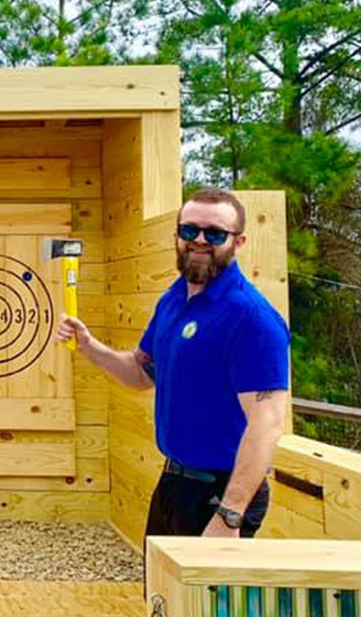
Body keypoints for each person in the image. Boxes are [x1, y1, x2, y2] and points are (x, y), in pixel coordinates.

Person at [57, 187, 290, 539]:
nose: (199, 240)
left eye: (214, 233)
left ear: (239, 242)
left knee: (205, 597)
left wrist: (229, 516)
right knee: (160, 595)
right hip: (175, 482)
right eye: (188, 230)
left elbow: (267, 424)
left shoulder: (251, 318)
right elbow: (141, 373)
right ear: (177, 235)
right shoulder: (172, 299)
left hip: (221, 494)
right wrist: (90, 347)